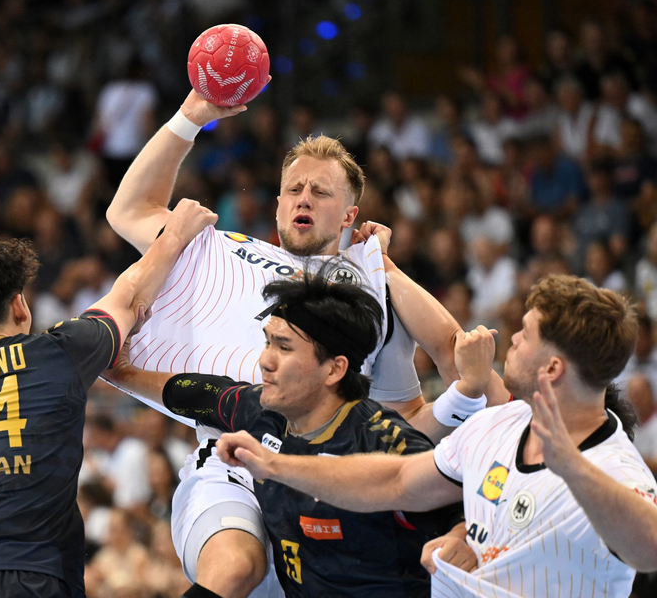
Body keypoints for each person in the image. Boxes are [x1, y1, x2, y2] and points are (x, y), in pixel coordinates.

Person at [106, 90, 507, 597]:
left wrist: (382, 265)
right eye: (293, 188)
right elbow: (128, 210)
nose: (303, 197)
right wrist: (192, 117)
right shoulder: (220, 248)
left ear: (349, 214)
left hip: (331, 481)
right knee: (234, 569)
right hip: (234, 456)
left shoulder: (369, 293)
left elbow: (431, 390)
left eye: (320, 191)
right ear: (276, 204)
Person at [217, 275, 657, 597]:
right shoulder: (495, 425)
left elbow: (650, 550)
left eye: (524, 335)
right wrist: (274, 464)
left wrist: (573, 469)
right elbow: (394, 481)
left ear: (553, 369)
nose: (512, 340)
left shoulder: (613, 467)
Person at [0, 199, 217, 598]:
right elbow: (130, 293)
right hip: (27, 572)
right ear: (19, 304)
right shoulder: (58, 353)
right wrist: (176, 233)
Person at [113, 268, 471, 597]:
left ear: (334, 370)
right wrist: (120, 373)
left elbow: (463, 510)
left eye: (284, 348)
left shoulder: (386, 442)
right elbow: (196, 395)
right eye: (268, 342)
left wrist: (460, 536)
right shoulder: (265, 413)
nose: (265, 361)